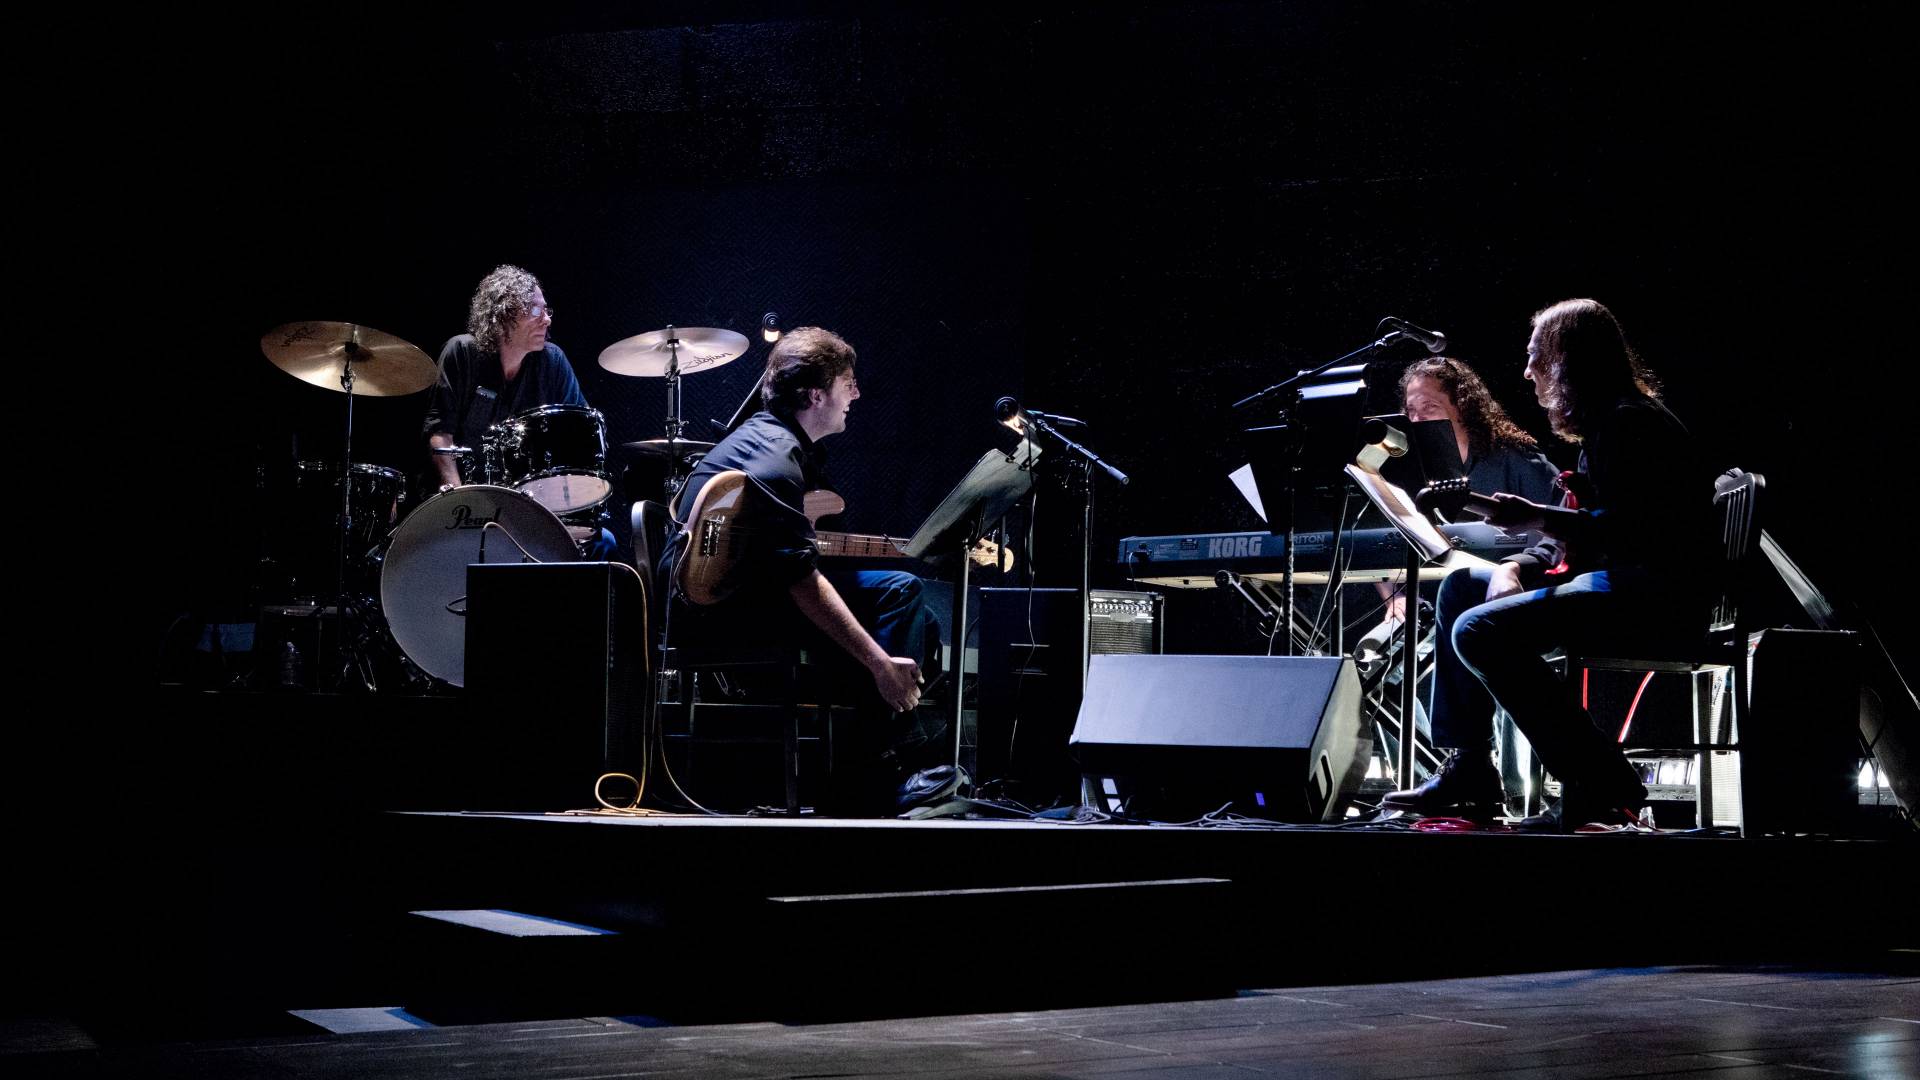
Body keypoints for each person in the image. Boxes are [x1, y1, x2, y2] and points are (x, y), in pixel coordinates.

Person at [1382, 299, 1714, 830]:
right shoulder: (1610, 425)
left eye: (1538, 356)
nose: (1528, 371)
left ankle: (1602, 784)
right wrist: (1517, 560)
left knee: (1479, 630)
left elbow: (1625, 533)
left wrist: (1537, 517)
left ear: (1569, 360)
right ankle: (1470, 768)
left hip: (1653, 595)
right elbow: (1574, 530)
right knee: (1464, 587)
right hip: (1623, 582)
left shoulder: (1631, 426)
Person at [661, 327, 947, 815]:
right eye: (847, 383)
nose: (856, 393)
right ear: (817, 395)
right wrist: (880, 664)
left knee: (914, 612)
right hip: (714, 610)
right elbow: (801, 581)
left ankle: (869, 765)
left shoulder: (772, 441)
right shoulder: (776, 460)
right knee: (898, 597)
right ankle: (879, 771)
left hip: (740, 594)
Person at [423, 265, 617, 559]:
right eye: (536, 311)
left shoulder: (553, 362)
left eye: (547, 310)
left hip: (529, 504)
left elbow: (580, 437)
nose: (547, 319)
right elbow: (440, 434)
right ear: (504, 317)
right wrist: (457, 501)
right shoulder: (461, 353)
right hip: (469, 502)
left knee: (604, 542)